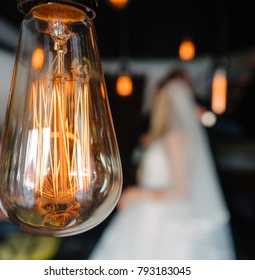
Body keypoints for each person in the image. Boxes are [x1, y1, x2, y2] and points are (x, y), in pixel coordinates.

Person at [89, 69, 235, 259]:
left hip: (161, 219)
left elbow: (181, 192)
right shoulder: (166, 136)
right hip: (148, 214)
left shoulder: (174, 137)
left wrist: (136, 193)